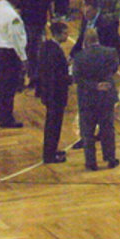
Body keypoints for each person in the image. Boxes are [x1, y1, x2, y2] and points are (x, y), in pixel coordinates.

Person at [73, 28, 119, 171]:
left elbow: (77, 79)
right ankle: (110, 158)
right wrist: (102, 83)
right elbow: (113, 69)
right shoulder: (111, 52)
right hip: (106, 95)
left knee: (87, 132)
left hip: (87, 98)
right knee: (107, 129)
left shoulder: (79, 57)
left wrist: (94, 85)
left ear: (85, 41)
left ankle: (91, 162)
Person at [0, 0, 27, 128]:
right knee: (10, 86)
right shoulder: (12, 16)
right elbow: (16, 39)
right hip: (9, 53)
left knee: (0, 83)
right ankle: (7, 118)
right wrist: (23, 58)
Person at [37, 21, 70, 164]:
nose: (67, 36)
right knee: (54, 125)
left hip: (48, 92)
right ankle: (49, 155)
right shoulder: (55, 52)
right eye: (65, 33)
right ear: (58, 34)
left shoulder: (46, 46)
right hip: (55, 94)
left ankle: (52, 150)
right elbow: (57, 76)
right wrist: (70, 78)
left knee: (52, 124)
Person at [20, 0, 54, 89]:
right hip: (29, 20)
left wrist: (51, 16)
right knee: (29, 49)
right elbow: (22, 2)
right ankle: (25, 76)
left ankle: (36, 76)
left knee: (39, 49)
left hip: (41, 20)